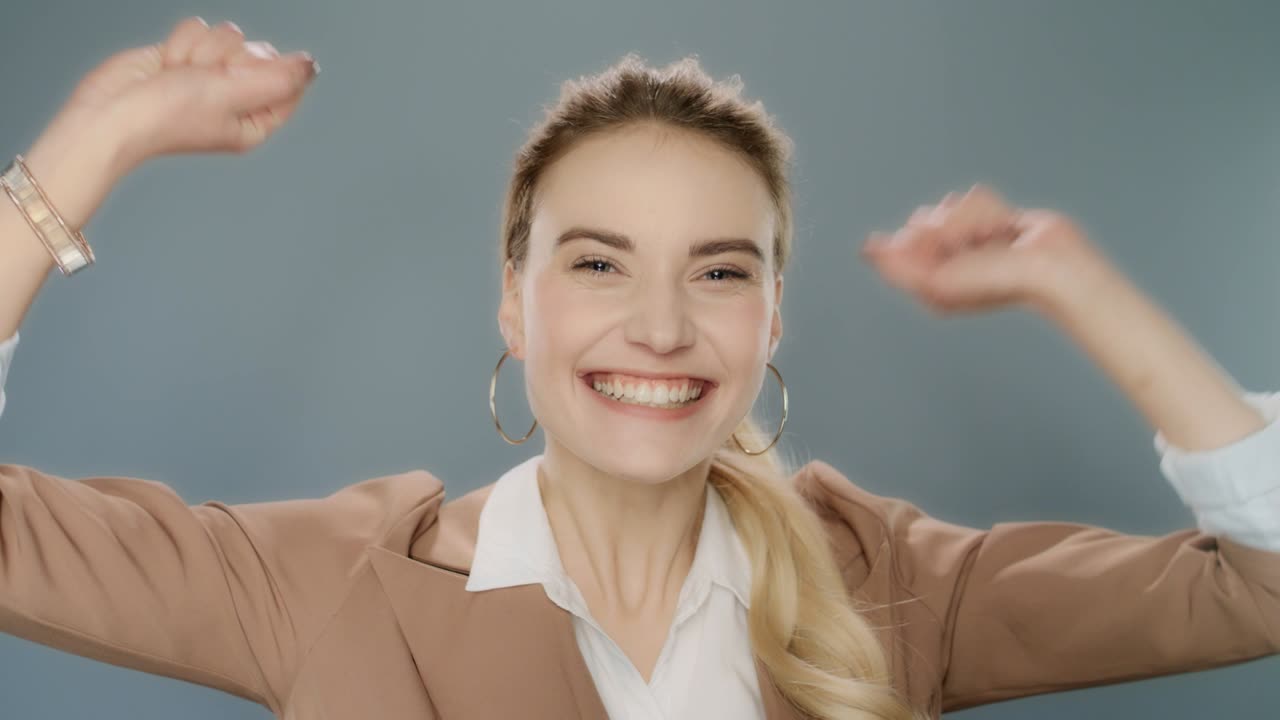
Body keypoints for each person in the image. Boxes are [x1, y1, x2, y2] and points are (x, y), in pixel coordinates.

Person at [0, 16, 1276, 720]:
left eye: (719, 272)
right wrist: (83, 152)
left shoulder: (885, 587)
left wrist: (1074, 281)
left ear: (771, 318)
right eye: (599, 264)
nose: (661, 328)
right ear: (514, 303)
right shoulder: (336, 585)